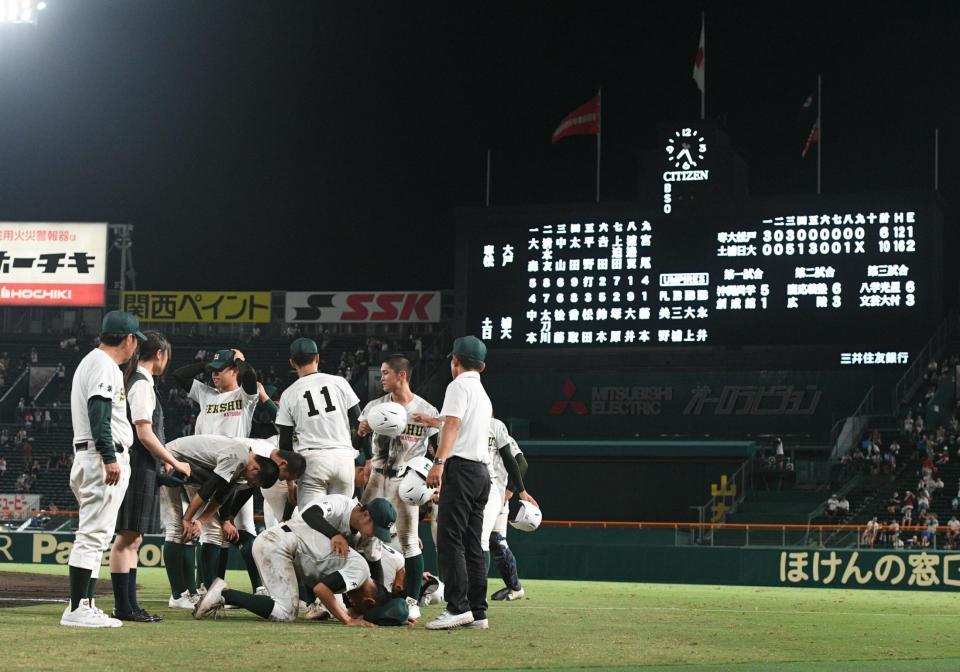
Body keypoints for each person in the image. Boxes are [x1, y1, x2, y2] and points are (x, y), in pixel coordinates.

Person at [61, 311, 144, 629]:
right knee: (92, 536)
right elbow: (99, 412)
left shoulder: (95, 362)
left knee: (96, 535)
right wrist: (109, 457)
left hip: (93, 456)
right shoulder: (103, 365)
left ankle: (86, 603)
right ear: (129, 339)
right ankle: (77, 608)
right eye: (136, 340)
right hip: (100, 458)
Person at [109, 331, 192, 623]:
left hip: (141, 466)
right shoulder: (141, 384)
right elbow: (143, 432)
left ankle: (130, 605)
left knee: (134, 538)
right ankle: (124, 606)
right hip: (137, 466)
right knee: (127, 537)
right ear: (160, 354)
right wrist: (173, 460)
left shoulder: (137, 381)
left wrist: (162, 462)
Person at [171, 348, 269, 593]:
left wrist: (239, 360)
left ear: (234, 370)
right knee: (211, 533)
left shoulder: (244, 396)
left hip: (238, 469)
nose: (214, 375)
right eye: (212, 371)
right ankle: (211, 587)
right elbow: (179, 375)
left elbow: (250, 377)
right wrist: (208, 363)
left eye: (220, 370)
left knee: (244, 527)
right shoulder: (206, 393)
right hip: (206, 467)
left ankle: (259, 587)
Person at [192, 517, 396, 626]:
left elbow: (352, 605)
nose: (354, 606)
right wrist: (348, 620)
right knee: (286, 613)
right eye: (362, 608)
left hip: (279, 541)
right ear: (369, 601)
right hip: (277, 545)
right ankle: (225, 594)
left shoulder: (360, 573)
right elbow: (321, 590)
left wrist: (397, 617)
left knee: (286, 609)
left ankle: (225, 594)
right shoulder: (360, 573)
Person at [358, 354, 439, 619]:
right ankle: (372, 595)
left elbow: (438, 448)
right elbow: (360, 435)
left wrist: (435, 476)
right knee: (363, 537)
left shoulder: (426, 409)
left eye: (385, 373)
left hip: (406, 480)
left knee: (409, 541)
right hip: (375, 478)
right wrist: (362, 431)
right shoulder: (375, 406)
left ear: (401, 375)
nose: (381, 378)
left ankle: (412, 600)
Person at [422, 335, 493, 631]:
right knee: (472, 543)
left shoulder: (457, 385)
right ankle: (478, 612)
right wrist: (432, 421)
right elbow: (455, 423)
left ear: (455, 361)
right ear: (482, 366)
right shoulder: (483, 394)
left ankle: (457, 607)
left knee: (449, 539)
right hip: (481, 473)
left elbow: (453, 425)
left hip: (461, 469)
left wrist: (438, 462)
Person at [277, 338, 361, 498]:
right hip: (343, 458)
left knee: (312, 513)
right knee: (341, 512)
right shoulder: (340, 382)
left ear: (292, 362)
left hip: (312, 461)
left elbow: (285, 443)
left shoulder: (288, 394)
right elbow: (360, 422)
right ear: (317, 358)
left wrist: (290, 481)